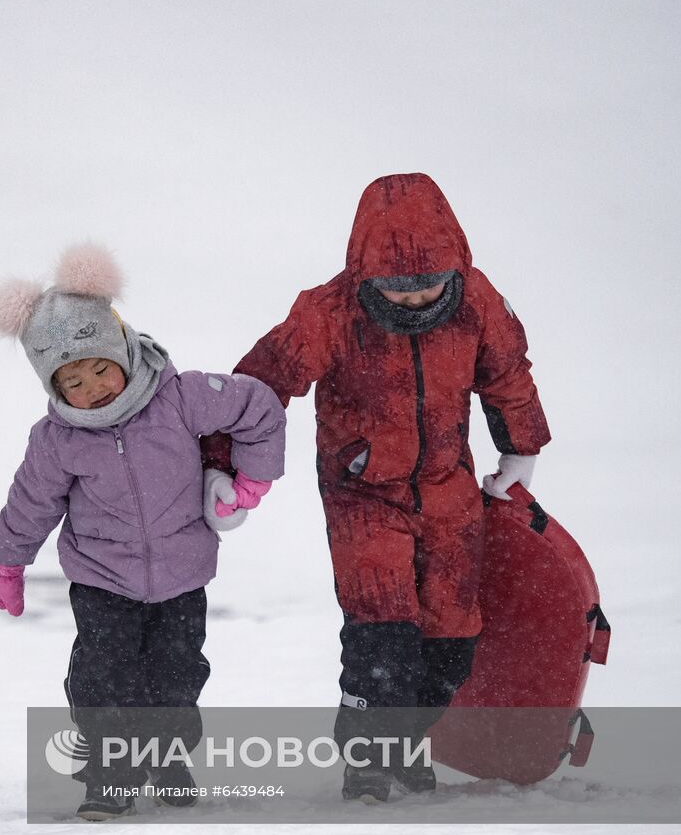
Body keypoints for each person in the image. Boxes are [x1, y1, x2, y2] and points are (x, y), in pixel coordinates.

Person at [203, 173, 550, 802]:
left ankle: (405, 743)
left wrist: (520, 447)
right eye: (396, 288)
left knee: (451, 641)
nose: (415, 302)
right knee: (382, 630)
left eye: (429, 288)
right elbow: (262, 385)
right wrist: (223, 462)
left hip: (450, 489)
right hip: (361, 495)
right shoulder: (329, 313)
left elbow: (507, 374)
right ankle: (367, 760)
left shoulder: (477, 301)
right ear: (366, 274)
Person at [0, 244, 286, 820]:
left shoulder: (180, 398)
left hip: (181, 575)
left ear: (122, 348)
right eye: (73, 380)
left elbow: (259, 408)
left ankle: (167, 756)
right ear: (52, 385)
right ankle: (108, 776)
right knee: (102, 681)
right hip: (102, 582)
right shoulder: (58, 439)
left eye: (101, 367)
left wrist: (252, 481)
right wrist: (8, 558)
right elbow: (32, 500)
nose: (93, 386)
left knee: (177, 677)